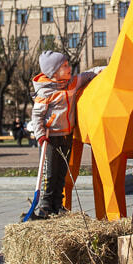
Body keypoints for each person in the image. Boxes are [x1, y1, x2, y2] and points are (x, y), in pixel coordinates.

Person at [27, 51, 102, 219]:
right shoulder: (44, 93)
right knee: (51, 173)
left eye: (68, 64)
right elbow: (37, 116)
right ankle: (46, 206)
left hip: (67, 136)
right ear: (54, 72)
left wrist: (106, 69)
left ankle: (57, 204)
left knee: (62, 173)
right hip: (51, 138)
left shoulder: (71, 83)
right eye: (65, 66)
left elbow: (88, 74)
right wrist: (40, 136)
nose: (69, 68)